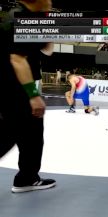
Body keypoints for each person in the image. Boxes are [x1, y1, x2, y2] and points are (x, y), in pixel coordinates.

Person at [0, 0, 56, 193]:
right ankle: (27, 177)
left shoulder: (33, 18)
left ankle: (27, 177)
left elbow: (47, 50)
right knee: (9, 134)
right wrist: (33, 95)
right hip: (16, 87)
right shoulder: (20, 20)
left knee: (31, 135)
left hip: (18, 86)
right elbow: (17, 59)